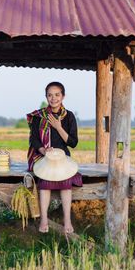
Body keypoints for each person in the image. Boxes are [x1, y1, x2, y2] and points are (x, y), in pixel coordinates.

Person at [27, 81, 82, 234]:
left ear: (63, 96)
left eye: (57, 95)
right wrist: (44, 150)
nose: (53, 98)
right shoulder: (39, 116)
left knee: (66, 182)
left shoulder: (69, 116)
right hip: (44, 157)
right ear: (46, 97)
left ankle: (67, 220)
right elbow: (34, 139)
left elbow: (73, 142)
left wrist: (58, 126)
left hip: (63, 160)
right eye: (50, 95)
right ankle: (44, 219)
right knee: (44, 180)